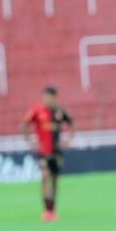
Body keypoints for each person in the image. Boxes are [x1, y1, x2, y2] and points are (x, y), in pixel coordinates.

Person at [22, 86, 74, 221]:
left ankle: (52, 210)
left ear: (54, 98)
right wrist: (30, 142)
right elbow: (24, 124)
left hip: (56, 151)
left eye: (49, 98)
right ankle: (46, 211)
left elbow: (71, 122)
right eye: (44, 97)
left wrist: (69, 140)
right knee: (45, 176)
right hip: (43, 152)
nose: (46, 100)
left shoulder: (60, 111)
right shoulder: (36, 111)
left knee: (55, 180)